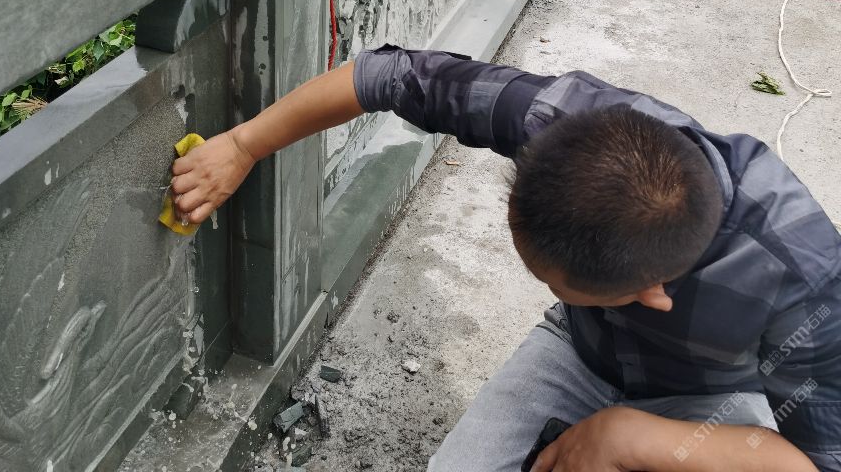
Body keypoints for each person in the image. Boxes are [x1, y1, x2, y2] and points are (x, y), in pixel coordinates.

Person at [171, 45, 841, 472]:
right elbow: (389, 76)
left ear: (652, 293)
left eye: (558, 286)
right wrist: (244, 145)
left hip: (710, 396)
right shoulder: (559, 120)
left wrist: (629, 438)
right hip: (584, 349)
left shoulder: (804, 280)